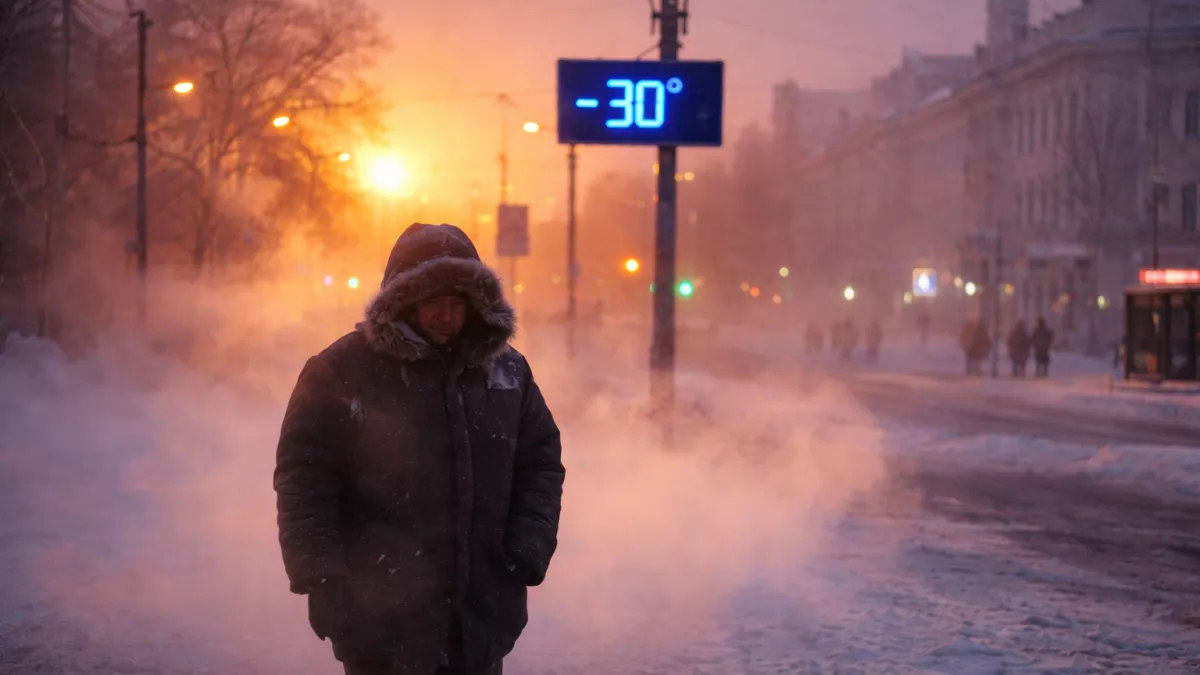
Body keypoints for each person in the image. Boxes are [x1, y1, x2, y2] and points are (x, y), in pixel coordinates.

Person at [274, 223, 566, 675]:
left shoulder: (507, 372)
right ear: (404, 301)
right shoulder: (342, 370)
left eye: (458, 302)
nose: (446, 315)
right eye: (433, 301)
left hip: (480, 617)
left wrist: (526, 548)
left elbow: (540, 462)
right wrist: (320, 574)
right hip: (377, 617)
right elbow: (305, 478)